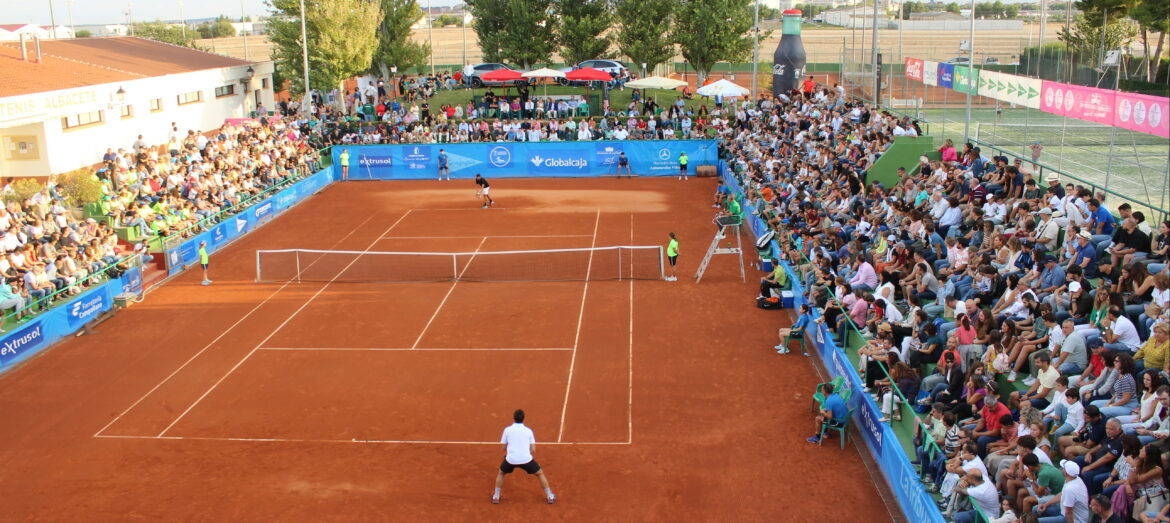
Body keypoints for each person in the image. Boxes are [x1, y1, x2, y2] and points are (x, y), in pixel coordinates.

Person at [492, 409, 555, 505]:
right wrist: (525, 452)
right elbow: (533, 449)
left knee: (501, 473)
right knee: (540, 473)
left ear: (514, 418)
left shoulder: (507, 430)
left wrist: (510, 451)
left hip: (510, 459)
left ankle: (496, 496)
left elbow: (503, 447)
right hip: (526, 459)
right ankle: (550, 496)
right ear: (523, 419)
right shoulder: (528, 431)